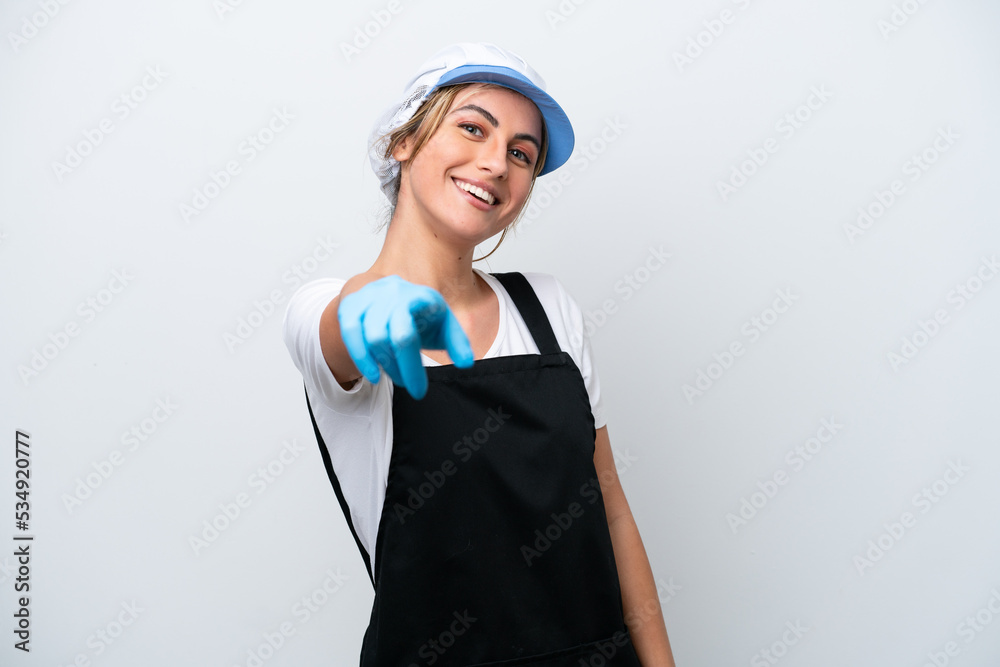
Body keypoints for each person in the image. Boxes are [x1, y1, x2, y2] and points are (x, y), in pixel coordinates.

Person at [283, 42, 676, 666]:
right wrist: (366, 313)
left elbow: (613, 511)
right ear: (402, 142)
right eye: (473, 128)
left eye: (522, 153)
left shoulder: (550, 312)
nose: (497, 163)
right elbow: (333, 329)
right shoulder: (329, 310)